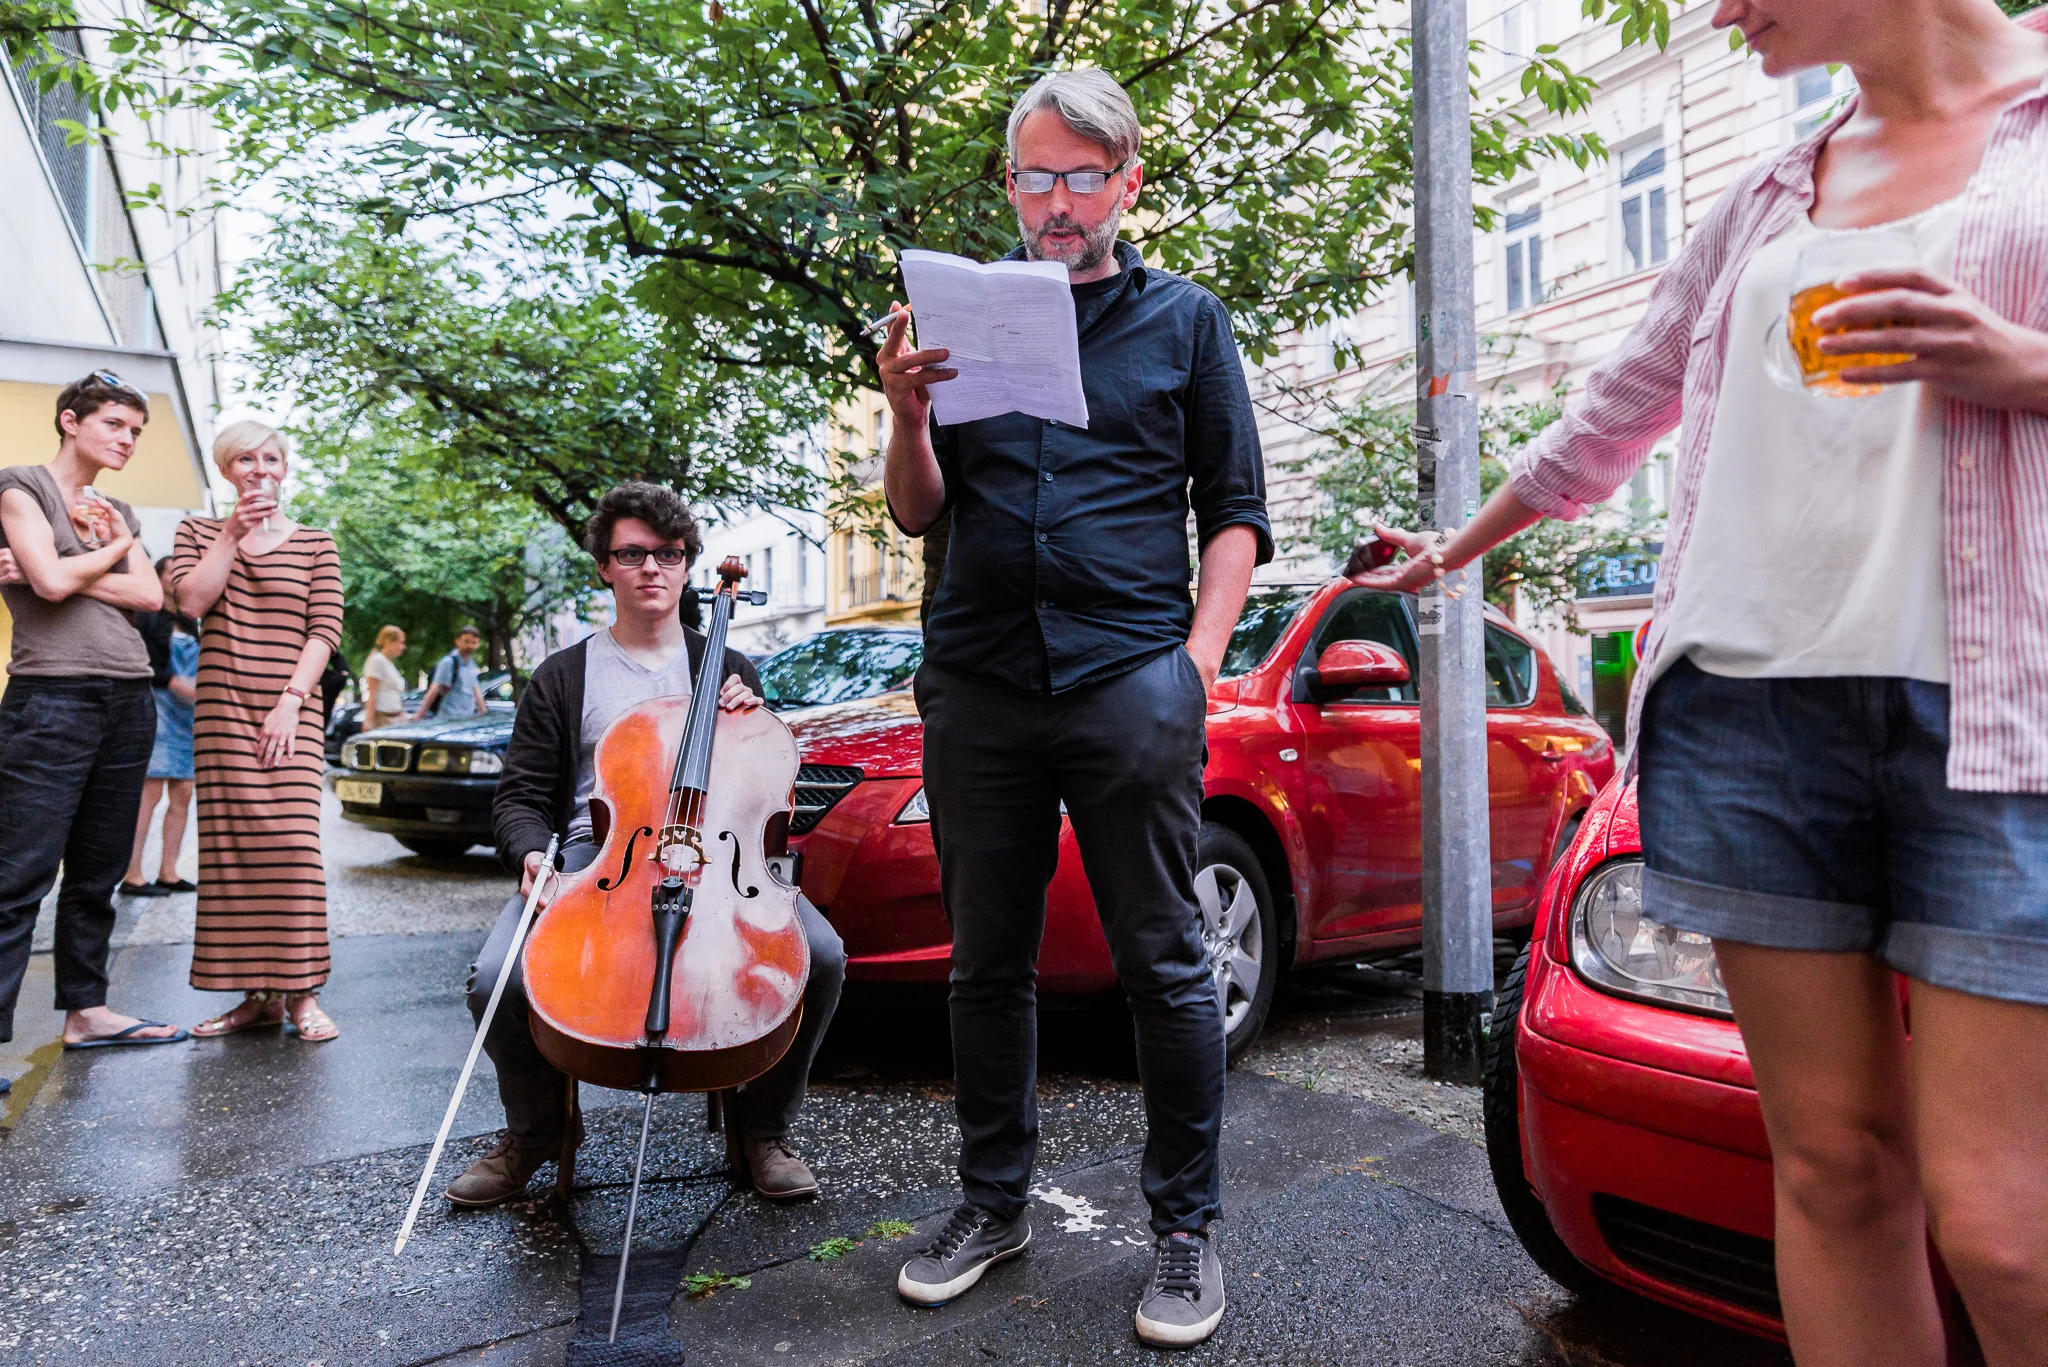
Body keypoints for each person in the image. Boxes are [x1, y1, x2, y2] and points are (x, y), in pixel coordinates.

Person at [1354, 4, 2048, 1364]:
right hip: (1751, 712)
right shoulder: (1767, 190)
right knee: (1836, 1169)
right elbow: (1614, 406)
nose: (1721, 11)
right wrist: (1453, 550)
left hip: (1990, 710)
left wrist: (2021, 365)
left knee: (2006, 1223)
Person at [877, 68, 1267, 1348]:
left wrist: (1195, 665)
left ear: (1126, 182)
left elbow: (1234, 513)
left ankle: (1183, 1227)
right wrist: (904, 413)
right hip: (980, 678)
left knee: (1163, 960)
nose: (1057, 201)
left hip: (1127, 682)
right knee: (987, 962)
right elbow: (916, 510)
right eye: (1036, 176)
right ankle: (991, 1204)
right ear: (1007, 182)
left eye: (1081, 176)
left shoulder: (1185, 320)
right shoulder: (955, 316)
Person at [447, 482, 845, 1207]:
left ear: (688, 563)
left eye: (669, 553)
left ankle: (765, 1129)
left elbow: (764, 795)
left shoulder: (725, 667)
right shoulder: (565, 675)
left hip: (718, 863)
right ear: (605, 565)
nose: (652, 568)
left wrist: (754, 721)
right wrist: (533, 855)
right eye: (633, 554)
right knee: (496, 976)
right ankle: (538, 1132)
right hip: (593, 860)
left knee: (819, 955)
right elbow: (519, 799)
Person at [0, 372, 186, 1052]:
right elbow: (48, 583)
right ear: (70, 420)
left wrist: (58, 566)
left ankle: (86, 1011)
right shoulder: (21, 486)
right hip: (52, 697)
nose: (128, 440)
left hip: (129, 698)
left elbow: (149, 596)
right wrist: (105, 551)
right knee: (18, 875)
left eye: (136, 431)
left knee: (99, 871)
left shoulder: (121, 507)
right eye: (115, 424)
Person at [171, 421, 344, 1044]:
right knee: (234, 857)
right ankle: (258, 997)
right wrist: (231, 534)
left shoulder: (318, 544)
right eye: (246, 458)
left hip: (290, 711)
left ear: (285, 469)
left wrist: (292, 700)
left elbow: (324, 631)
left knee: (294, 852)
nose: (260, 467)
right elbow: (190, 602)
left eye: (271, 457)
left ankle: (302, 993)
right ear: (227, 470)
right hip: (223, 712)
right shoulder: (198, 532)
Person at [121, 557, 200, 897]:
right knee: (148, 795)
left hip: (186, 717)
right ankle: (132, 874)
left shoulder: (189, 620)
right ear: (158, 577)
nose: (178, 577)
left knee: (182, 792)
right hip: (158, 710)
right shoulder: (147, 614)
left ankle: (169, 870)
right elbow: (143, 662)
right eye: (172, 571)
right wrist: (173, 683)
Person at [416, 626, 486, 720]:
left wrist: (484, 713)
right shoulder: (449, 662)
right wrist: (420, 714)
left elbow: (476, 691)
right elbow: (435, 689)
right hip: (449, 718)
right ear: (457, 641)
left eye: (474, 643)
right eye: (466, 641)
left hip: (467, 718)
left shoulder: (471, 664)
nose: (470, 646)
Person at [360, 625, 409, 731]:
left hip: (395, 718)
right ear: (388, 641)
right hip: (382, 719)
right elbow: (372, 692)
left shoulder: (389, 663)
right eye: (400, 642)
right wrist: (369, 720)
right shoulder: (377, 660)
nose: (403, 647)